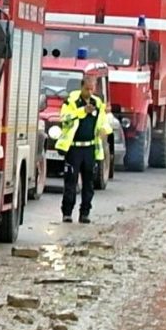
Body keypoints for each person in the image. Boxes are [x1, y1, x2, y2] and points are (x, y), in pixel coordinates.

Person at [54, 74, 111, 224]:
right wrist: (82, 111)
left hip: (90, 149)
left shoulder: (97, 103)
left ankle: (85, 213)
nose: (90, 92)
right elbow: (64, 118)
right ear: (81, 87)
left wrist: (105, 130)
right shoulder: (71, 101)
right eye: (87, 89)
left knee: (89, 183)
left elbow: (104, 121)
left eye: (92, 89)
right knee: (71, 182)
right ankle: (67, 213)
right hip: (74, 149)